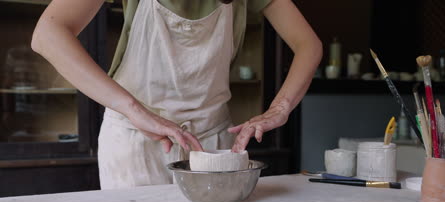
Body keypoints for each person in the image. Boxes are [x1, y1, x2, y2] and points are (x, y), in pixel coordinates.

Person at [31, 0, 322, 189]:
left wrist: (280, 107)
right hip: (135, 142)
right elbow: (48, 34)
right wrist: (133, 108)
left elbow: (308, 44)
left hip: (212, 144)